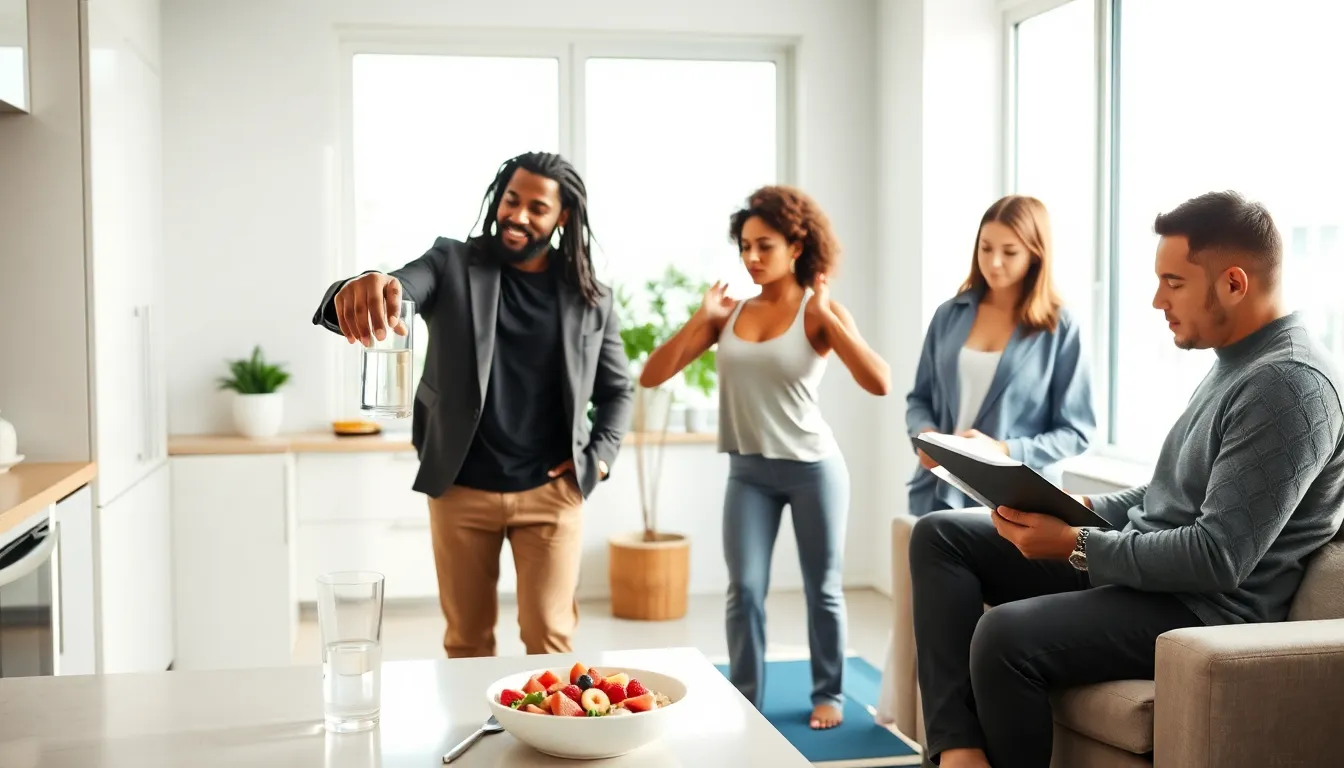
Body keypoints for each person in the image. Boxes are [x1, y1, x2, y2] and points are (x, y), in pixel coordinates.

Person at [909, 190, 1344, 768]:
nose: (1157, 299)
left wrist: (1076, 544)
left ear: (1234, 283)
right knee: (940, 536)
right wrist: (1076, 505)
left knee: (1004, 639)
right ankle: (959, 753)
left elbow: (1217, 558)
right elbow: (1170, 493)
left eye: (1174, 282)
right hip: (1152, 573)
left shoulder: (1288, 383)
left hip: (1202, 607)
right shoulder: (1237, 360)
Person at [311, 151, 634, 659]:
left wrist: (599, 460)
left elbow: (619, 391)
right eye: (511, 200)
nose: (518, 216)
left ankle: (550, 741)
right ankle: (477, 739)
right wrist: (365, 287)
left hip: (551, 494)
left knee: (550, 640)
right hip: (460, 490)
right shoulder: (452, 263)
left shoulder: (590, 297)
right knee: (466, 642)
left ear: (562, 217)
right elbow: (401, 288)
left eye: (536, 207)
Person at [639, 185, 891, 730]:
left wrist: (829, 316)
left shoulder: (817, 310)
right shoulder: (728, 313)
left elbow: (879, 381)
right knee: (745, 590)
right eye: (745, 246)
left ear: (797, 246)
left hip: (812, 470)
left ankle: (830, 695)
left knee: (822, 590)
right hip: (748, 472)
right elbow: (652, 374)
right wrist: (699, 318)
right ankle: (745, 693)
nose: (752, 258)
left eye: (765, 246)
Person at [904, 195, 1095, 518]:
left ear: (1035, 255)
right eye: (986, 248)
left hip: (1017, 504)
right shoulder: (949, 315)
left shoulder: (1060, 327)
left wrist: (1002, 450)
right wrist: (926, 436)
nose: (994, 262)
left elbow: (1076, 433)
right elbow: (918, 399)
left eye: (1009, 252)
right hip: (937, 491)